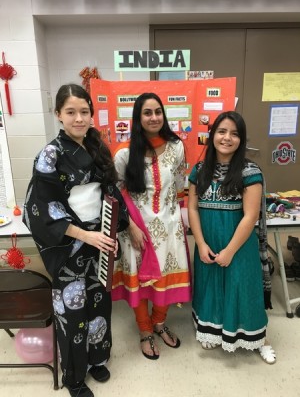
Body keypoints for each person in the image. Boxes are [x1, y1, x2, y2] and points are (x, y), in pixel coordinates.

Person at [23, 84, 128, 397]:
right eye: (71, 112)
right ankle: (74, 375)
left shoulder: (97, 148)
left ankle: (98, 358)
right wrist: (87, 235)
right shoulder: (50, 155)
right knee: (71, 311)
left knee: (99, 301)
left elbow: (111, 191)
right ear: (58, 115)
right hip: (70, 244)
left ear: (92, 115)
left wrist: (114, 229)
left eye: (84, 112)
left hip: (100, 237)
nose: (79, 118)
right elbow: (42, 208)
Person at [188, 111, 276, 364]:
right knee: (211, 288)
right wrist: (201, 244)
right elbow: (193, 208)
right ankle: (212, 330)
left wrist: (230, 250)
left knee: (243, 288)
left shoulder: (250, 171)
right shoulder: (200, 170)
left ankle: (259, 338)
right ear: (212, 135)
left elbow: (250, 216)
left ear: (242, 139)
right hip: (208, 241)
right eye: (222, 131)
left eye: (235, 134)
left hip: (239, 245)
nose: (227, 138)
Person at [112, 92, 192, 360]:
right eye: (147, 113)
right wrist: (130, 226)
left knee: (166, 280)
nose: (154, 117)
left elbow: (180, 186)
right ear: (138, 117)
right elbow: (116, 193)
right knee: (142, 284)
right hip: (136, 229)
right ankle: (145, 331)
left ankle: (159, 323)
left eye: (158, 111)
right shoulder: (124, 154)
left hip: (169, 229)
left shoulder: (177, 147)